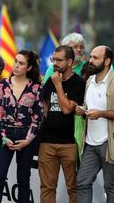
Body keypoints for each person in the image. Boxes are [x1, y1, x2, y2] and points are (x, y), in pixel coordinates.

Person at [75, 45, 114, 203]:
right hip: (89, 143)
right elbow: (90, 106)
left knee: (111, 186)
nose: (90, 60)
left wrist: (101, 114)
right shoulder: (89, 81)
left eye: (95, 58)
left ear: (107, 61)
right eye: (91, 57)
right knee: (82, 182)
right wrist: (83, 110)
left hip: (110, 143)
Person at [0, 50, 43, 203]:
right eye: (15, 61)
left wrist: (27, 140)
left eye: (21, 63)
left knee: (23, 179)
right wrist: (3, 137)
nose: (16, 65)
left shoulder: (36, 88)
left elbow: (38, 117)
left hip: (26, 136)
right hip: (5, 135)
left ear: (29, 67)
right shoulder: (3, 85)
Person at [38, 45, 86, 203]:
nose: (55, 63)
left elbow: (66, 109)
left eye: (59, 60)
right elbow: (44, 106)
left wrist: (58, 85)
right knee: (47, 187)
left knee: (73, 187)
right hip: (47, 142)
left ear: (70, 62)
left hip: (69, 143)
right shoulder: (51, 79)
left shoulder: (78, 83)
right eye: (53, 59)